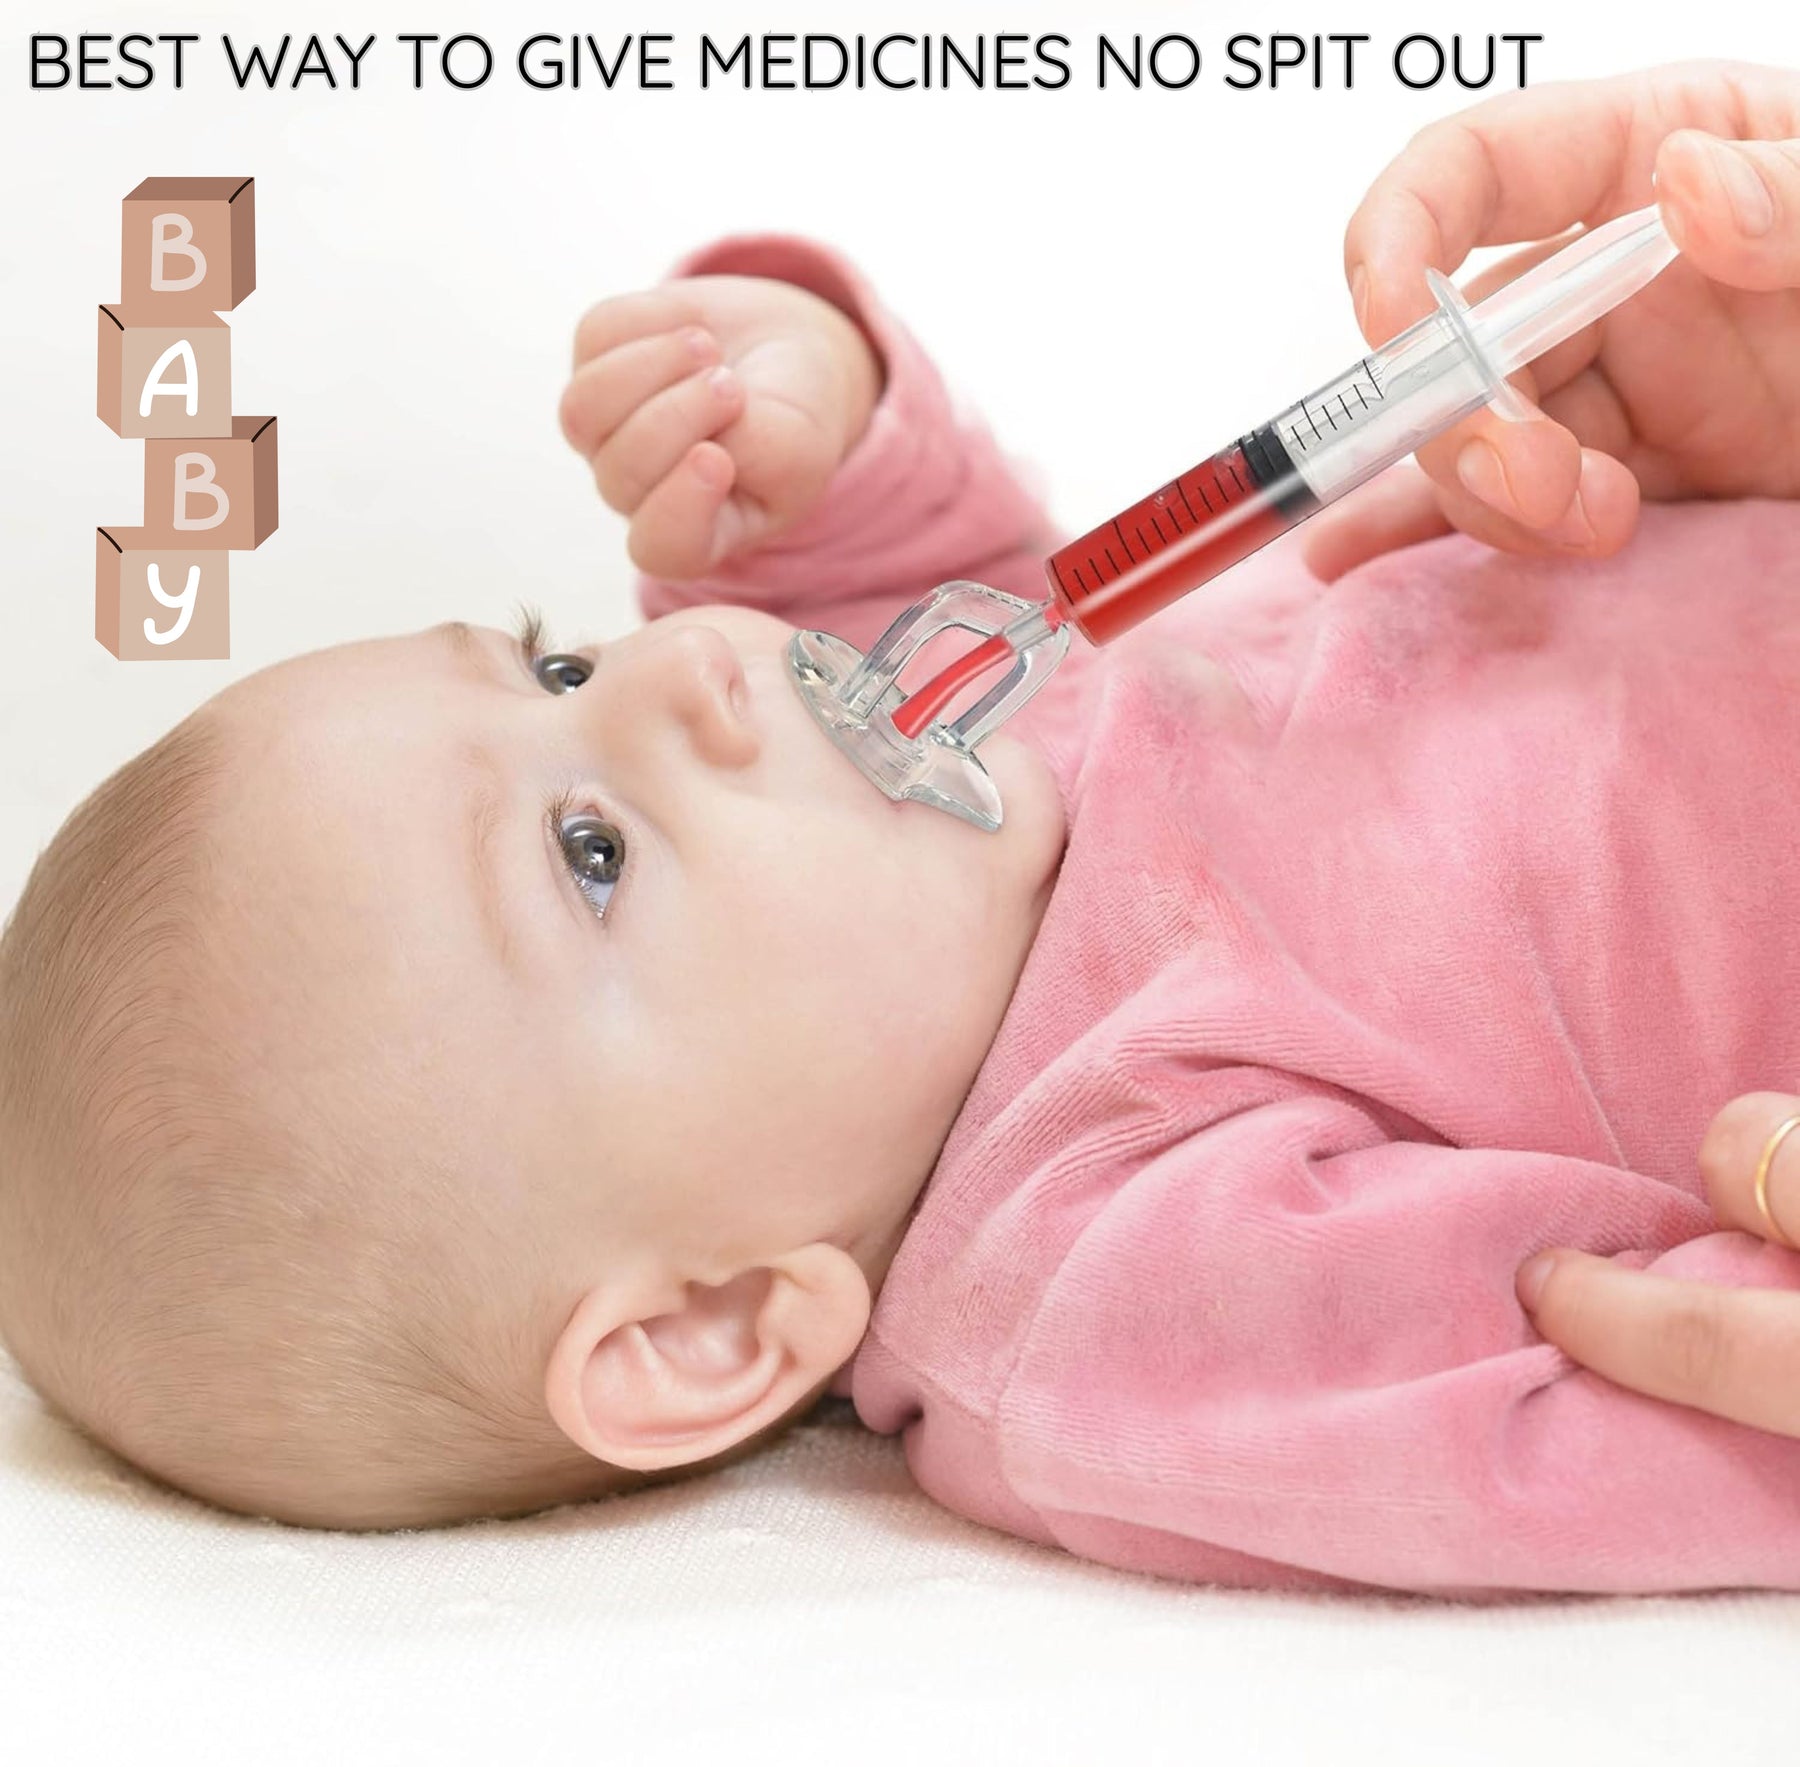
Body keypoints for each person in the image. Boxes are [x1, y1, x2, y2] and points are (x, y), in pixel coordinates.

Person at [1, 60, 1798, 1596]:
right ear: (704, 1327)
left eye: (556, 667)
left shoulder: (919, 802)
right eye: (590, 852)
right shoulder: (1108, 1279)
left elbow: (907, 578)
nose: (689, 657)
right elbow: (1650, 1388)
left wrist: (794, 412)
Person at [1302, 58, 1800, 1440]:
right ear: (702, 1333)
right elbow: (1516, 1391)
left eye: (622, 660)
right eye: (622, 857)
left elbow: (880, 593)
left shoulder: (985, 755)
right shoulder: (1062, 1226)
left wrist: (795, 444)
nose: (684, 675)